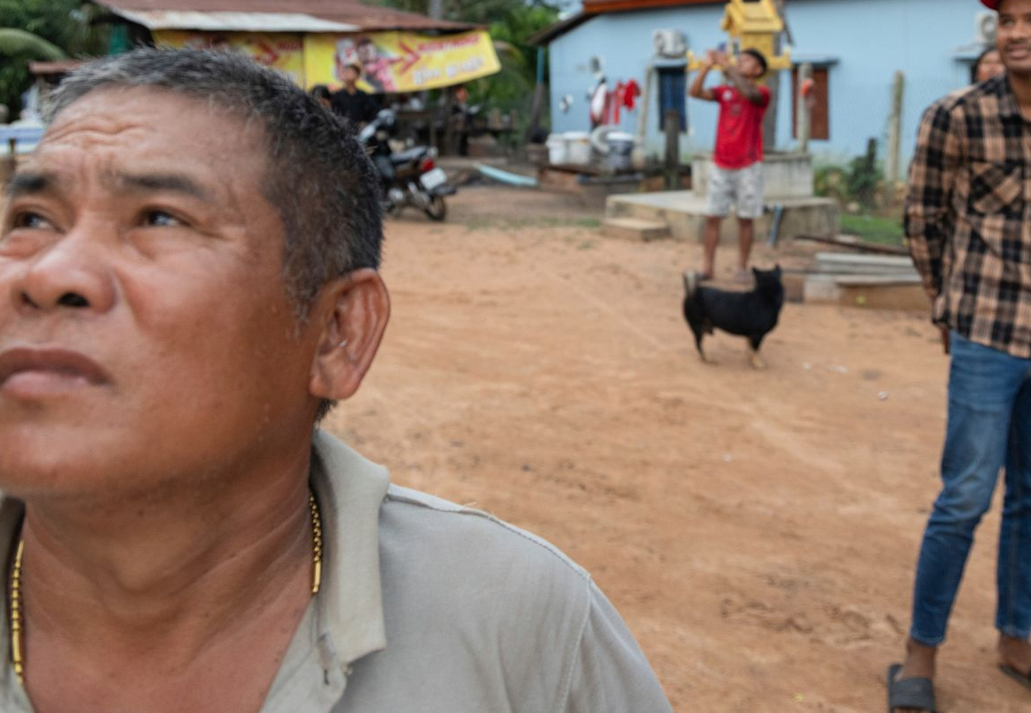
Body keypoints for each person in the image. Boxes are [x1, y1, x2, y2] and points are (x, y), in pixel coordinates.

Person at [0, 49, 674, 713]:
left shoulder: (517, 630)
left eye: (160, 217)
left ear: (337, 333)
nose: (48, 273)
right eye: (31, 220)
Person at [889, 0, 1031, 713]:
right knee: (964, 497)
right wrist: (949, 305)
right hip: (985, 333)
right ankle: (919, 653)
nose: (1016, 31)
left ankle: (1017, 639)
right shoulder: (955, 116)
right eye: (1006, 20)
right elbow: (922, 218)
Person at [688, 47, 771, 282]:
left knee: (745, 218)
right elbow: (694, 92)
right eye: (739, 60)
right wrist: (706, 67)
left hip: (748, 165)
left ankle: (742, 267)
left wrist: (726, 66)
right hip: (721, 163)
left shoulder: (761, 92)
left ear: (758, 70)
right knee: (713, 217)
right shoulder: (725, 91)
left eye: (745, 61)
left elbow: (749, 94)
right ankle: (707, 268)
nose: (739, 63)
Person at [329, 62, 379, 130]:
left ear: (357, 76)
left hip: (359, 131)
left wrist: (366, 122)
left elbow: (374, 109)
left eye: (350, 72)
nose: (346, 74)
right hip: (343, 131)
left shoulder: (362, 95)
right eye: (345, 72)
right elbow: (332, 113)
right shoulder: (337, 95)